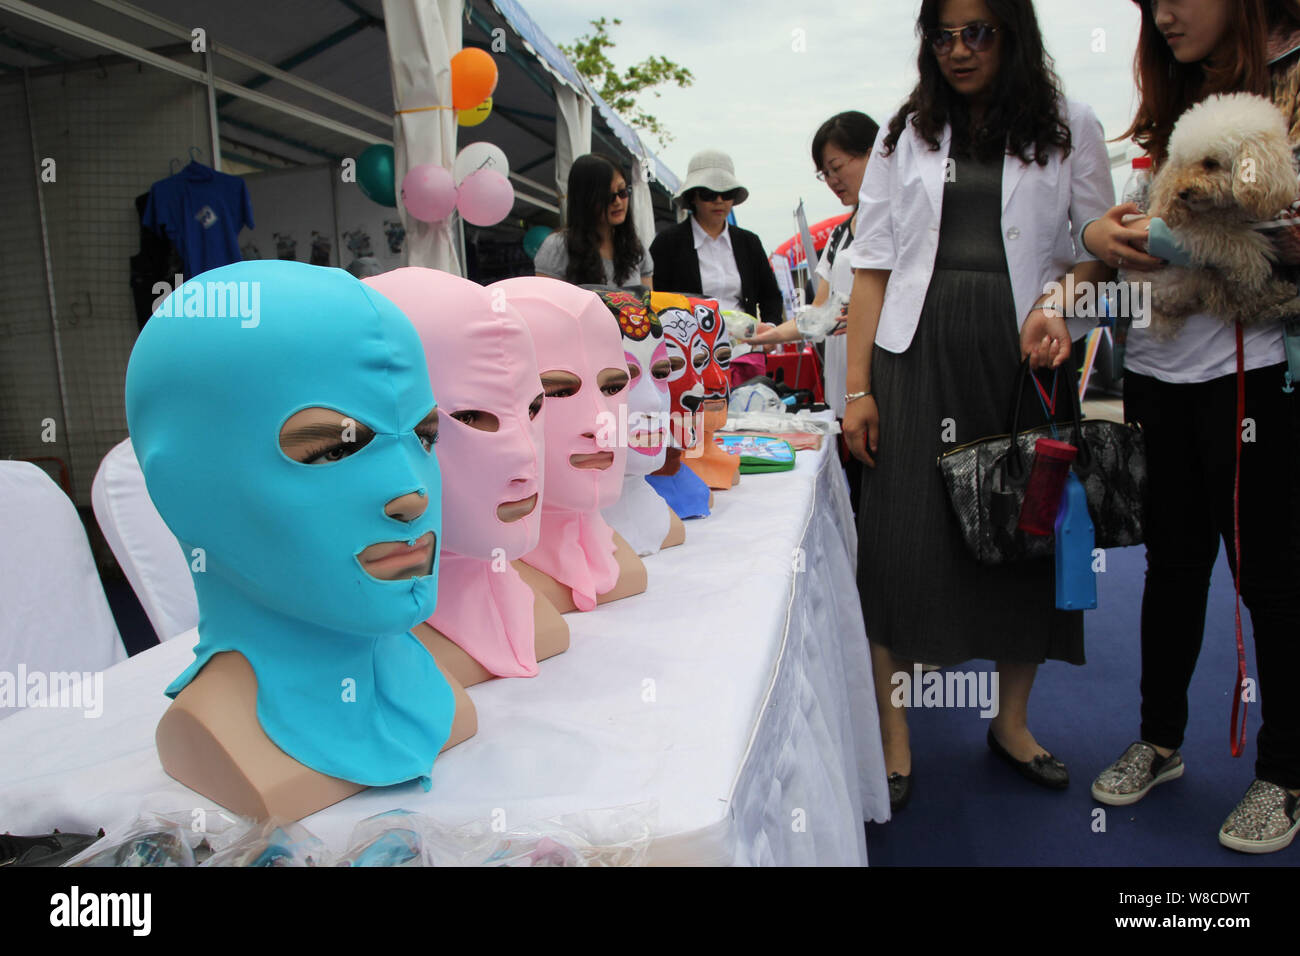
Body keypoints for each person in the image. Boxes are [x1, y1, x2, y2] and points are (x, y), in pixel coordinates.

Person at [1028, 0, 1300, 854]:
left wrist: (1178, 241)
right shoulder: (1173, 107)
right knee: (1173, 568)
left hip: (1250, 379)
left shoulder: (1286, 91)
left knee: (1272, 579)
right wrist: (1079, 277)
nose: (1165, 14)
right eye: (1149, 5)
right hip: (1156, 373)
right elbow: (1124, 259)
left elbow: (1280, 240)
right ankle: (1161, 737)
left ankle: (1286, 773)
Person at [842, 0, 1113, 810]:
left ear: (1013, 34)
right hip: (915, 356)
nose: (958, 51)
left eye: (979, 33)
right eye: (943, 35)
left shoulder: (1071, 124)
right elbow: (873, 264)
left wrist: (1060, 306)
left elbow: (1096, 247)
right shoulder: (904, 131)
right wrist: (857, 388)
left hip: (1025, 354)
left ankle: (1012, 722)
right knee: (897, 541)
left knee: (1023, 538)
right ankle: (894, 739)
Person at [745, 111, 880, 512]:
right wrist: (762, 335)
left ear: (874, 155)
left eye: (837, 167)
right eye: (825, 173)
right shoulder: (840, 234)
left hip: (882, 389)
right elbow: (819, 315)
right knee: (858, 500)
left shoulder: (896, 222)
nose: (833, 181)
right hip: (843, 394)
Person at [649, 149, 785, 323]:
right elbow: (655, 299)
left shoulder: (749, 242)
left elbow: (770, 296)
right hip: (690, 345)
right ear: (693, 196)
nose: (719, 200)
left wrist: (771, 328)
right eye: (709, 194)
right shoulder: (668, 243)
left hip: (744, 344)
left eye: (727, 193)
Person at [535, 154, 653, 289]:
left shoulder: (636, 249)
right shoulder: (557, 247)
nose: (618, 202)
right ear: (586, 200)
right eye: (607, 196)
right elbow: (546, 305)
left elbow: (647, 305)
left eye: (622, 192)